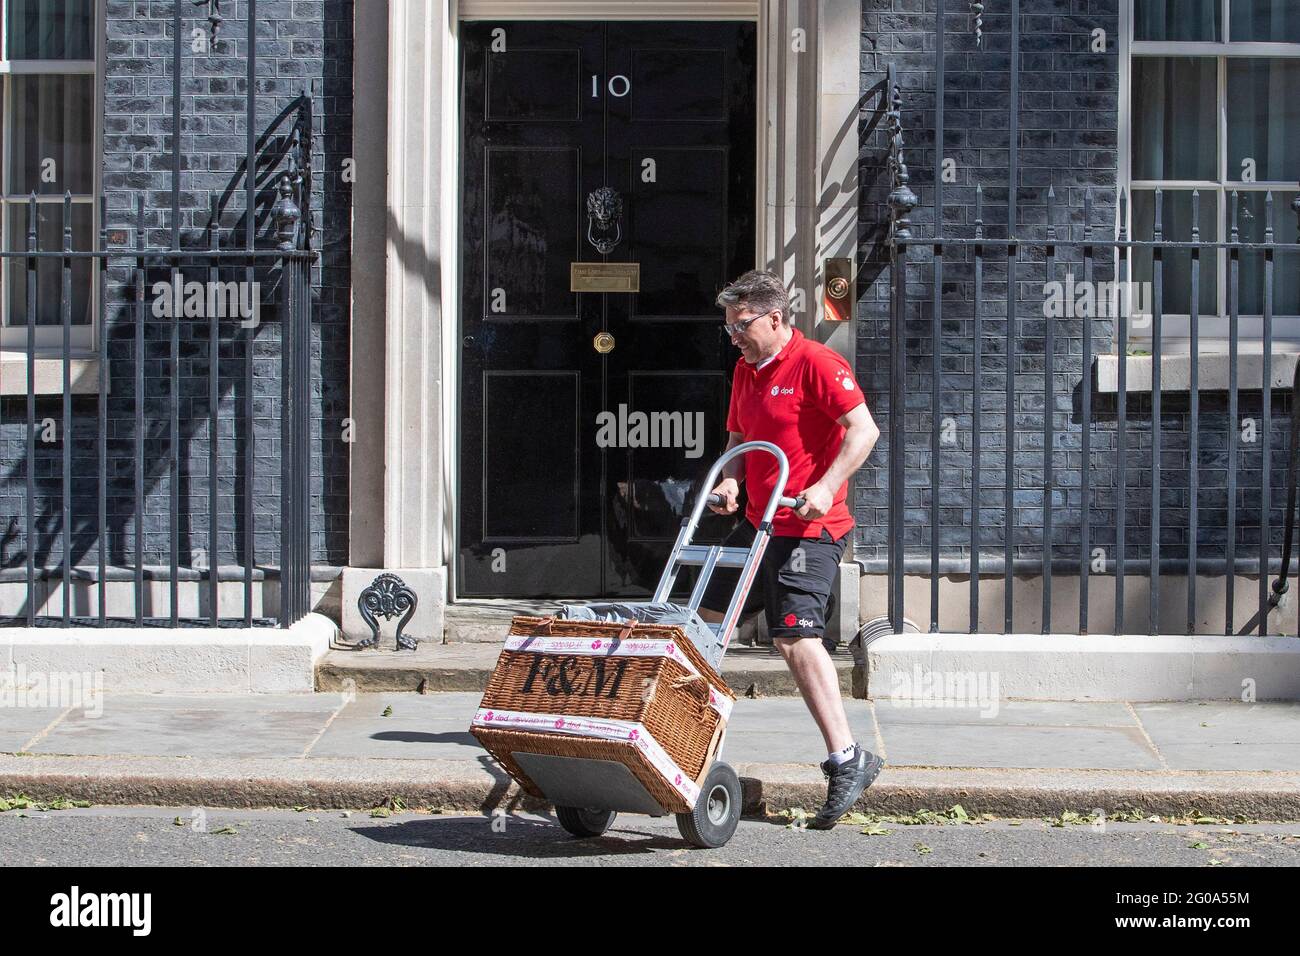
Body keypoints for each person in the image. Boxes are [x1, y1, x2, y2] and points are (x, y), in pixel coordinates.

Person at [699, 269, 883, 830]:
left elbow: (864, 430)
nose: (733, 334)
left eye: (742, 323)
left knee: (795, 636)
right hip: (758, 525)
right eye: (729, 325)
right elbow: (738, 439)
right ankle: (683, 746)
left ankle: (848, 758)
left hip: (809, 529)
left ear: (775, 318)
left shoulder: (818, 364)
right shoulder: (745, 370)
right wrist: (731, 481)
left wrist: (825, 487)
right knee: (705, 625)